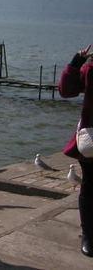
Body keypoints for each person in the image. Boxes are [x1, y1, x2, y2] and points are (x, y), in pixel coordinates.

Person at [59, 44, 93, 257]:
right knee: (90, 188)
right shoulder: (90, 70)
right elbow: (66, 90)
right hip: (92, 139)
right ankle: (88, 234)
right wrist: (76, 62)